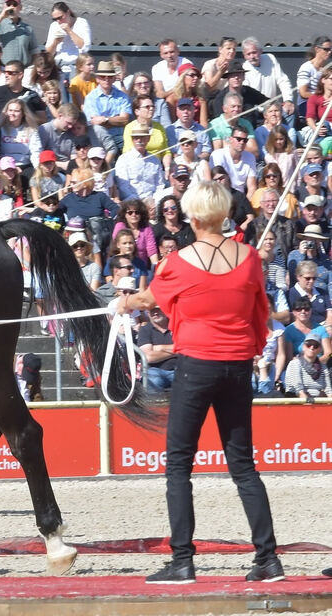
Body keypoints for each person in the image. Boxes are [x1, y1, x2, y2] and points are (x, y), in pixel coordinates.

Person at [120, 179, 281, 585]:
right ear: (225, 213)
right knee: (243, 464)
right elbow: (260, 311)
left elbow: (147, 300)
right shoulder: (248, 258)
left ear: (192, 216)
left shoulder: (178, 260)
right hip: (238, 365)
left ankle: (182, 561)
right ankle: (268, 558)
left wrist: (122, 301)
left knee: (178, 464)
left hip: (196, 364)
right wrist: (251, 347)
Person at [44, 1, 91, 82]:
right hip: (59, 66)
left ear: (68, 12)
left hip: (77, 65)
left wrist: (69, 31)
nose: (58, 21)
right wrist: (56, 42)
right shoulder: (54, 26)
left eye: (60, 17)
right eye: (55, 19)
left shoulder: (81, 23)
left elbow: (84, 47)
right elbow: (48, 53)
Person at [137, 304, 177, 392]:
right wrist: (177, 350)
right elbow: (148, 357)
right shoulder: (145, 330)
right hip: (154, 370)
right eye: (151, 310)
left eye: (158, 310)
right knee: (154, 380)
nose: (155, 313)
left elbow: (187, 348)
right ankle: (155, 406)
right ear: (148, 313)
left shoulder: (177, 326)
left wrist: (159, 348)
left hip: (179, 369)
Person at [241, 37, 292, 104]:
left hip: (273, 107)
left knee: (290, 113)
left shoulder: (270, 58)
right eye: (248, 54)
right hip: (255, 109)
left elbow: (282, 80)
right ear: (244, 56)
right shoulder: (243, 69)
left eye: (254, 52)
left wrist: (288, 100)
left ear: (260, 51)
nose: (252, 56)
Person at [283, 335, 332, 400]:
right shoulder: (295, 363)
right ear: (303, 347)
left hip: (319, 399)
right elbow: (298, 389)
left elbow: (328, 389)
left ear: (320, 349)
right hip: (297, 399)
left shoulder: (323, 367)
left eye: (315, 346)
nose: (312, 348)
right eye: (308, 345)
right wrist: (307, 402)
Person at [296, 36, 332, 101]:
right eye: (326, 49)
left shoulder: (328, 69)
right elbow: (303, 93)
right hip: (306, 103)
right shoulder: (306, 67)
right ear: (317, 49)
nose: (329, 52)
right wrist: (322, 98)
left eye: (330, 49)